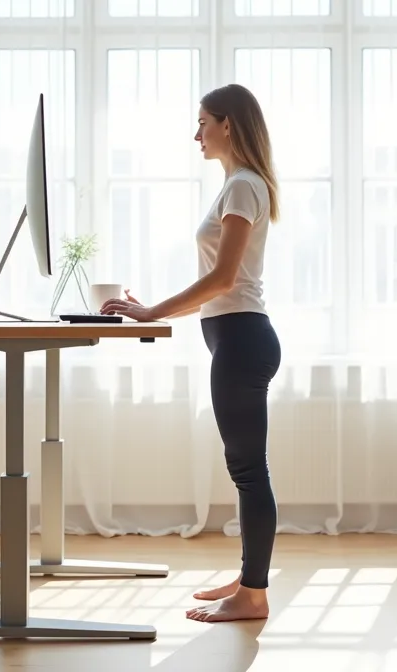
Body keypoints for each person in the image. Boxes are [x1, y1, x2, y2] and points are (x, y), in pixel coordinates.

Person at [100, 83, 282, 623]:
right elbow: (216, 283)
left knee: (249, 471)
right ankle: (249, 580)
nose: (196, 132)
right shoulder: (237, 187)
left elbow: (223, 279)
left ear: (229, 124)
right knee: (246, 469)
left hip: (244, 339)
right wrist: (150, 311)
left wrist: (153, 312)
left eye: (203, 121)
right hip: (235, 336)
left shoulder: (245, 186)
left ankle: (253, 596)